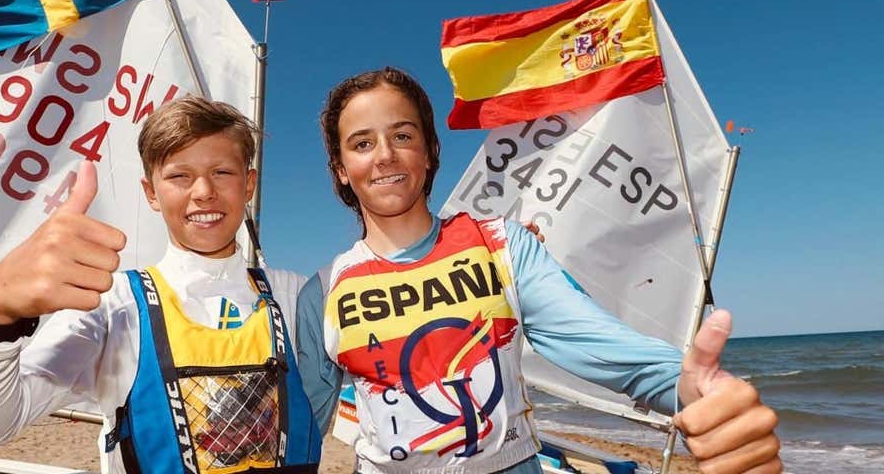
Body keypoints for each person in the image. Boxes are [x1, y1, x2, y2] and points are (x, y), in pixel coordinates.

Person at [295, 67, 781, 474]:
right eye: (361, 144)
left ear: (428, 150)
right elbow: (303, 434)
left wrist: (696, 392)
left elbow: (605, 348)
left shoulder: (505, 245)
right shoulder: (323, 290)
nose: (384, 155)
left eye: (402, 135)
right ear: (340, 168)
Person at [0, 96, 323, 474]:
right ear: (151, 193)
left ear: (250, 184)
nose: (204, 191)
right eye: (179, 176)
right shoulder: (112, 304)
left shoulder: (300, 297)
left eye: (223, 172)